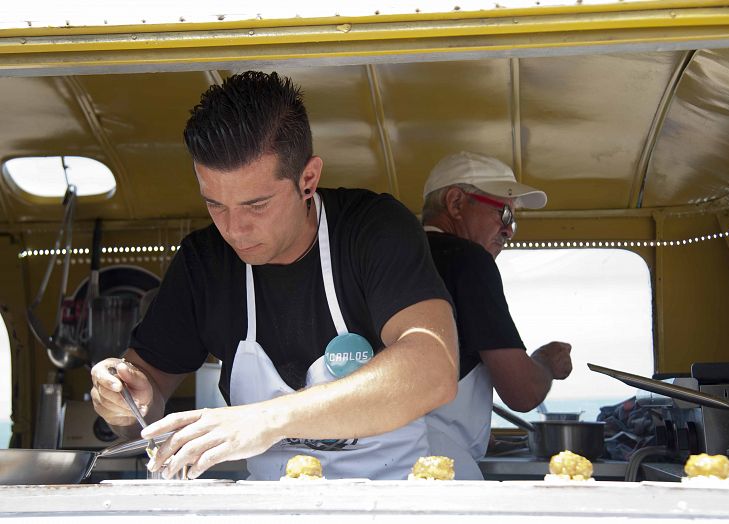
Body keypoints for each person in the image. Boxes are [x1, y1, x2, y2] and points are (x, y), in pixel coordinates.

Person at [89, 71, 458, 481]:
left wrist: (268, 419)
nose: (234, 229)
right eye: (216, 205)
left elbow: (432, 368)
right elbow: (145, 397)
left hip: (390, 498)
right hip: (268, 504)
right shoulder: (204, 262)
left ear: (307, 180)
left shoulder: (372, 230)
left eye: (257, 205)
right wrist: (126, 402)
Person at [421, 151, 573, 479]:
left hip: (373, 461)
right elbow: (522, 392)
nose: (509, 230)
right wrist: (546, 361)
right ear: (456, 202)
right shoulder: (469, 262)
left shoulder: (391, 256)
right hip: (436, 465)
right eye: (503, 213)